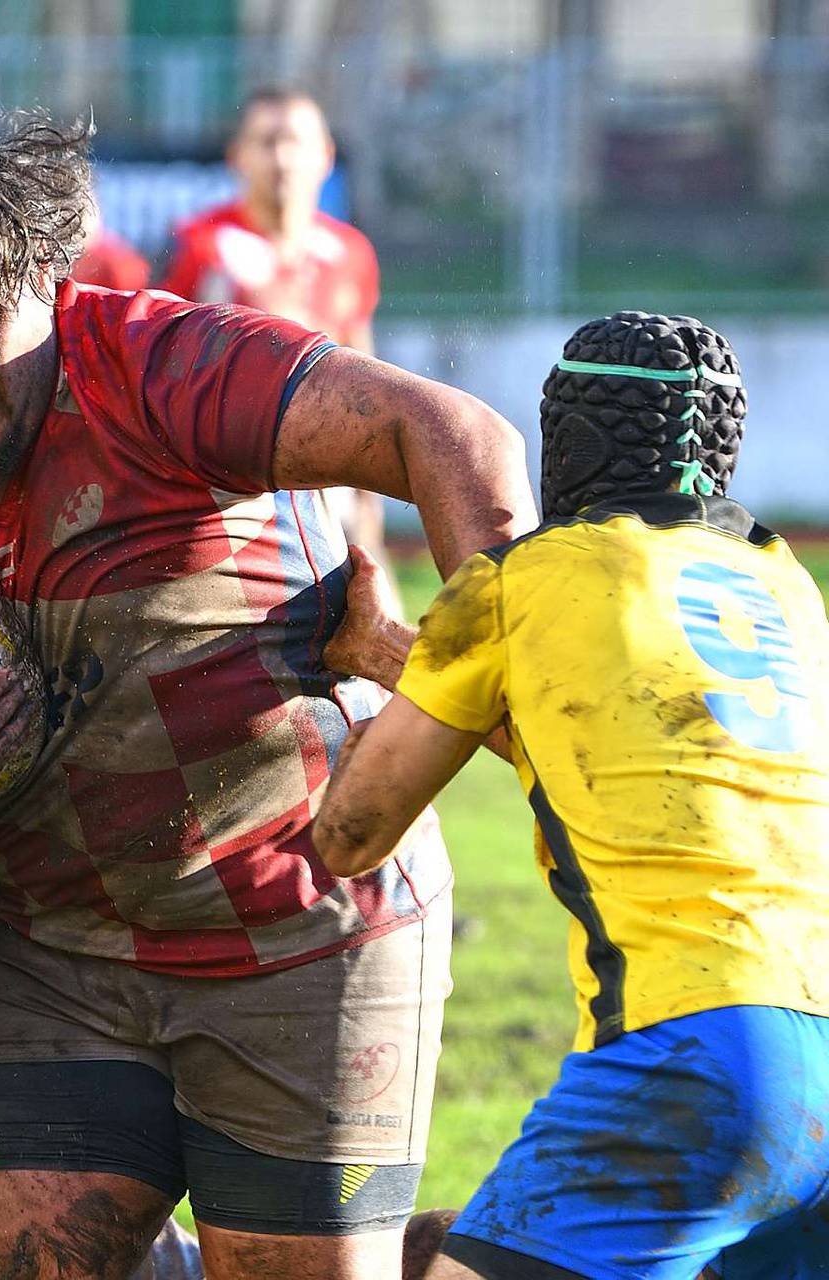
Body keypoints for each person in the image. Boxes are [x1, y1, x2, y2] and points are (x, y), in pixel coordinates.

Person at [0, 112, 535, 1280]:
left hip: (303, 926)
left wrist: (476, 677)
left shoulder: (166, 366)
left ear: (47, 277)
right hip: (45, 948)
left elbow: (446, 430)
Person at [315, 311, 829, 1280]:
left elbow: (350, 833)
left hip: (701, 1054)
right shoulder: (785, 582)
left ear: (569, 438)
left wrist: (380, 652)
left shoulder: (522, 580)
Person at [159, 87, 388, 566]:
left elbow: (367, 369)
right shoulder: (201, 248)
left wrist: (371, 501)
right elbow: (162, 369)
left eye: (296, 142)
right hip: (231, 488)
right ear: (237, 157)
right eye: (266, 142)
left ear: (325, 156)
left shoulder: (350, 252)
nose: (282, 159)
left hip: (329, 480)